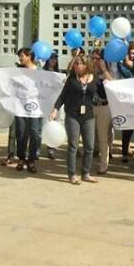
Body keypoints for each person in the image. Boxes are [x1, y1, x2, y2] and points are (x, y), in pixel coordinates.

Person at [50, 54, 97, 184]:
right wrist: (55, 110)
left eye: (78, 64)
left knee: (89, 146)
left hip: (88, 116)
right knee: (73, 146)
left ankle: (86, 173)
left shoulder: (94, 78)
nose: (75, 66)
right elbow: (63, 96)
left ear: (86, 65)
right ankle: (72, 174)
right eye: (75, 64)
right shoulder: (71, 79)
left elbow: (102, 92)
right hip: (72, 115)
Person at [13, 47, 43, 174]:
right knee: (20, 132)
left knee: (34, 132)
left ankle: (32, 160)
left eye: (22, 56)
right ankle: (21, 158)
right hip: (20, 107)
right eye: (20, 56)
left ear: (29, 57)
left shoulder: (40, 71)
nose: (20, 58)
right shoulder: (18, 71)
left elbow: (48, 85)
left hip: (35, 107)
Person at [115, 43, 134, 164]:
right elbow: (124, 72)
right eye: (129, 53)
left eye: (133, 53)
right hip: (127, 100)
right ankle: (125, 153)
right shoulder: (121, 64)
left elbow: (131, 73)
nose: (131, 55)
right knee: (126, 128)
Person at [90, 48, 113, 175]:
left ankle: (103, 165)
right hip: (90, 107)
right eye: (92, 58)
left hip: (104, 107)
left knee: (103, 137)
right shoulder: (89, 72)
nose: (94, 61)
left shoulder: (106, 72)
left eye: (97, 58)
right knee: (90, 137)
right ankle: (88, 164)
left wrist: (104, 70)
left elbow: (113, 84)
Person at [43, 51, 61, 160]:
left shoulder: (58, 73)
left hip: (55, 102)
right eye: (52, 58)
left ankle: (51, 148)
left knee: (54, 124)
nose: (54, 60)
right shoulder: (43, 72)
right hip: (45, 102)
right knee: (45, 124)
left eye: (55, 58)